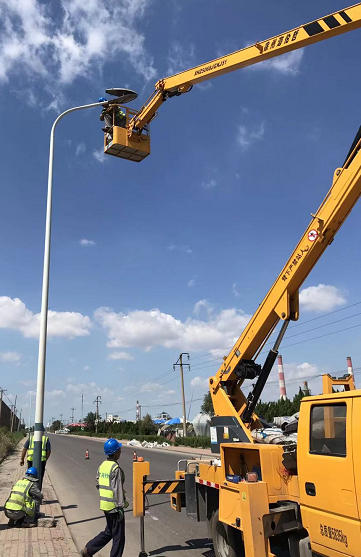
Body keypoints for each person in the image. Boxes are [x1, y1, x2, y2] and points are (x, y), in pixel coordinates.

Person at [81, 439, 128, 557]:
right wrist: (120, 507)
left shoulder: (103, 465)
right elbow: (117, 489)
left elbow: (98, 483)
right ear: (115, 452)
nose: (120, 451)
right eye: (119, 450)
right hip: (114, 506)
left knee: (109, 531)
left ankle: (89, 550)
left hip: (105, 505)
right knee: (119, 537)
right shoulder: (115, 468)